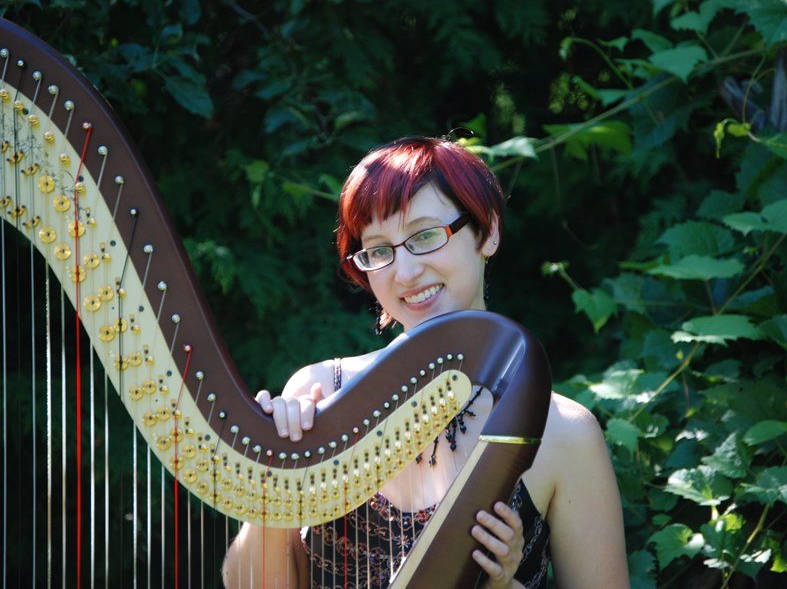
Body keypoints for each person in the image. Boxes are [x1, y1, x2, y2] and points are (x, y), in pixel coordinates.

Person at [222, 137, 629, 588]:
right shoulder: (319, 395)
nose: (405, 272)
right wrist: (274, 476)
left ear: (488, 230)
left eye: (424, 236)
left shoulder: (565, 432)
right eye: (378, 250)